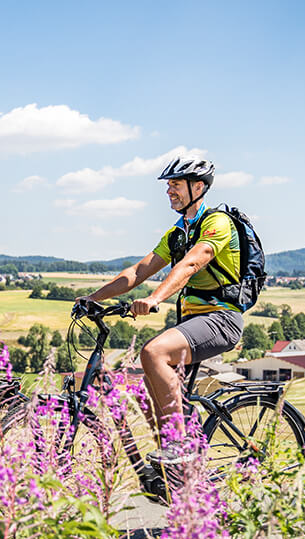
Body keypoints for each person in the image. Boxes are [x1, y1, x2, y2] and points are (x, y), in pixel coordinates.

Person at [77, 157, 244, 465]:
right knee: (147, 392)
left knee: (153, 352)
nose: (169, 191)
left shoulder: (217, 223)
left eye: (176, 185)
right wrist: (93, 298)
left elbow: (192, 263)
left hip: (221, 318)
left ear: (198, 187)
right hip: (194, 321)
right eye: (168, 186)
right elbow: (139, 270)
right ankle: (174, 473)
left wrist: (155, 298)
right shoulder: (178, 232)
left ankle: (180, 446)